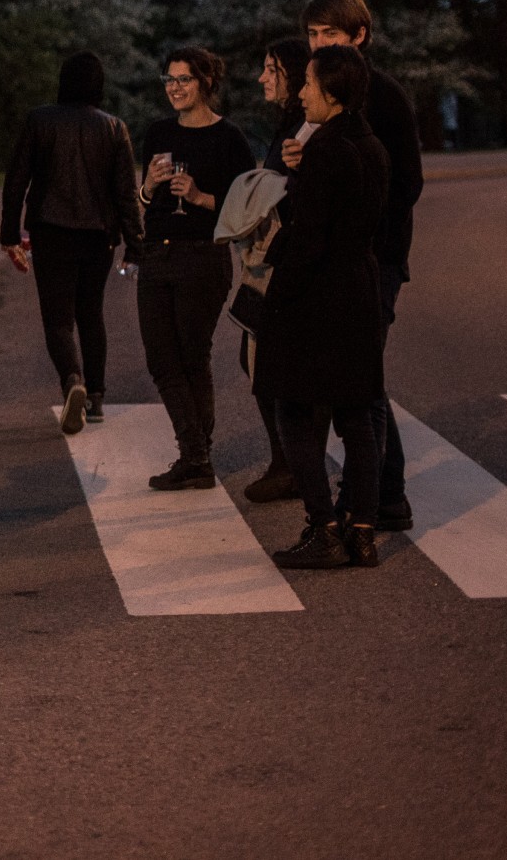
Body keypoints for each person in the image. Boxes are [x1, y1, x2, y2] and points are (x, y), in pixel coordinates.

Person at [291, 0, 424, 534]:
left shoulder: (383, 96)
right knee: (359, 379)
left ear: (360, 36)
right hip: (337, 259)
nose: (320, 43)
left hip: (374, 260)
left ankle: (372, 499)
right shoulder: (317, 91)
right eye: (313, 34)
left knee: (361, 381)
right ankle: (382, 496)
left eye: (331, 33)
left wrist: (364, 235)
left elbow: (407, 183)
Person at [259, 45, 391, 569]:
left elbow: (309, 236)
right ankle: (363, 529)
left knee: (292, 407)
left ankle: (324, 527)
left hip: (318, 295)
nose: (301, 93)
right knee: (356, 415)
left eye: (309, 83)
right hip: (359, 288)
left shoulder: (326, 152)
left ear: (332, 94)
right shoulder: (372, 146)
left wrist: (277, 298)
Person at [134, 47, 259, 489]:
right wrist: (149, 187)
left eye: (183, 79)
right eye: (169, 80)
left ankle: (195, 456)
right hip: (156, 254)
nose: (174, 88)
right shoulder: (159, 133)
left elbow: (247, 209)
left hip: (203, 256)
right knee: (161, 359)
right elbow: (145, 203)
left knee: (191, 356)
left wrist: (201, 197)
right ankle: (196, 454)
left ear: (205, 82)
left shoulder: (229, 138)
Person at [0, 51, 142, 435]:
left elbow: (16, 180)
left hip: (51, 230)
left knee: (58, 318)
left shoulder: (40, 120)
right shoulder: (114, 128)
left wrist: (9, 234)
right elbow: (125, 194)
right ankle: (95, 396)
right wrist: (135, 244)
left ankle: (71, 378)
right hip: (99, 236)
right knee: (91, 314)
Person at [242, 36, 312, 503]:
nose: (262, 78)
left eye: (272, 70)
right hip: (269, 258)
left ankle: (292, 466)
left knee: (267, 362)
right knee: (255, 358)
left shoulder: (302, 129)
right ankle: (287, 461)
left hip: (285, 262)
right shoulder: (287, 123)